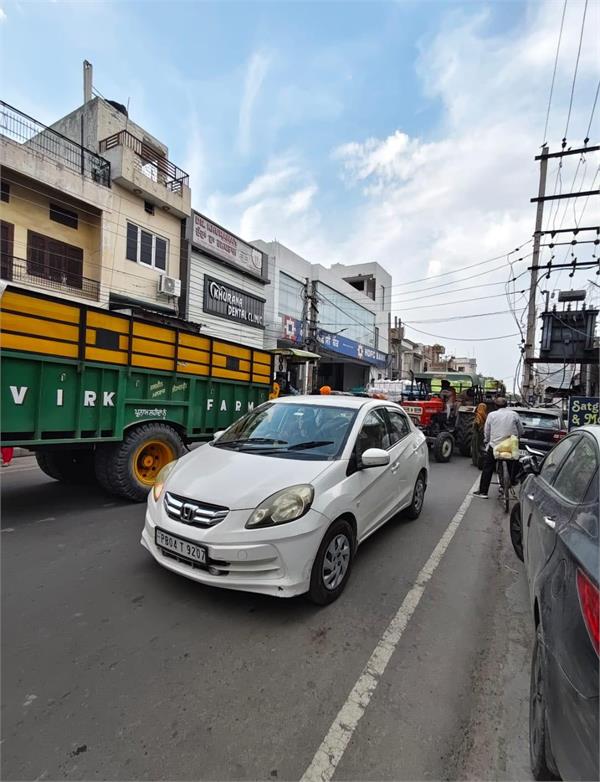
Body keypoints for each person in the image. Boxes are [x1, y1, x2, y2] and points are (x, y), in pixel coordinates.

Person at [473, 397, 524, 498]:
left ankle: (483, 492)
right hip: (510, 445)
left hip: (495, 446)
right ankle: (512, 482)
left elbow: (486, 431)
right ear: (506, 405)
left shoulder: (492, 415)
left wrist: (486, 441)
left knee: (488, 467)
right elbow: (521, 430)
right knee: (514, 463)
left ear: (495, 406)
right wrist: (517, 437)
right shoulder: (514, 414)